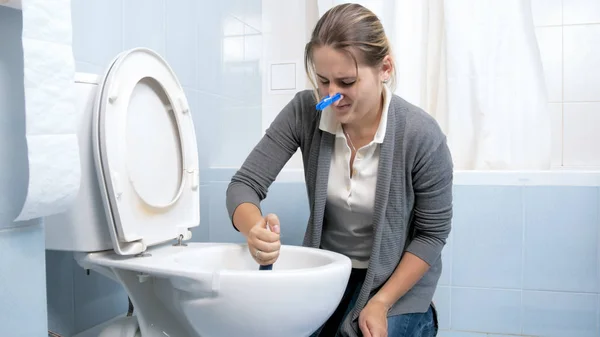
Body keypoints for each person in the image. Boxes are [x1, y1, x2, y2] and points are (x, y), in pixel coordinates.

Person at [225, 3, 453, 337]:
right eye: (323, 81)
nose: (332, 96)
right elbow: (243, 185)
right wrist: (254, 229)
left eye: (346, 82)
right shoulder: (305, 112)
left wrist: (381, 302)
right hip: (330, 273)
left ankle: (420, 321)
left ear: (385, 68)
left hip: (394, 283)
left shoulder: (421, 135)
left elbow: (432, 235)